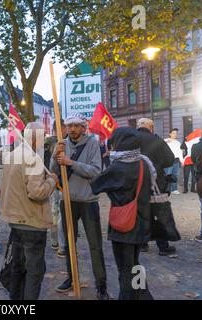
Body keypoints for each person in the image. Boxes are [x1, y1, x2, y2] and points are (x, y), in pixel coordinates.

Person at [91, 127, 155, 300]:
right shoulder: (144, 163)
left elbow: (96, 185)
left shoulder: (118, 166)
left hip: (124, 226)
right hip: (142, 224)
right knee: (135, 264)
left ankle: (129, 297)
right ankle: (144, 296)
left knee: (125, 270)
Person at [51, 113, 109, 300]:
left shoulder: (92, 143)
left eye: (76, 125)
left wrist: (71, 163)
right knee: (68, 243)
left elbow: (95, 171)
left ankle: (101, 285)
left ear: (84, 127)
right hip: (66, 200)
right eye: (70, 125)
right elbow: (52, 170)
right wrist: (54, 156)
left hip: (88, 201)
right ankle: (71, 277)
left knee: (95, 245)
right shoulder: (61, 144)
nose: (73, 129)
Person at [0, 122, 58, 300]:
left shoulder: (12, 155)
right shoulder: (33, 158)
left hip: (15, 221)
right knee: (34, 273)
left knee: (18, 268)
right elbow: (36, 192)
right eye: (41, 137)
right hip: (32, 222)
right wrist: (52, 181)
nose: (43, 142)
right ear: (34, 138)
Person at [136, 118, 176, 256]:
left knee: (141, 213)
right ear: (151, 127)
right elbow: (170, 159)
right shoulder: (157, 140)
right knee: (159, 214)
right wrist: (158, 165)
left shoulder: (130, 139)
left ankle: (143, 244)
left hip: (136, 183)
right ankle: (163, 247)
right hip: (156, 183)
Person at [45, 120, 67, 257]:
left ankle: (54, 241)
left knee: (54, 212)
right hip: (59, 182)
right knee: (60, 214)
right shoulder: (59, 143)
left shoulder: (45, 142)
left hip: (49, 180)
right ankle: (62, 245)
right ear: (61, 128)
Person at [164, 128, 184, 194]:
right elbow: (159, 146)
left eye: (176, 133)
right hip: (168, 161)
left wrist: (182, 161)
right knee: (167, 175)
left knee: (175, 175)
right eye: (173, 133)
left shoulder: (178, 143)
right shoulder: (165, 141)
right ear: (170, 134)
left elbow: (179, 153)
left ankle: (174, 189)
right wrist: (165, 142)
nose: (175, 135)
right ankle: (166, 190)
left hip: (176, 161)